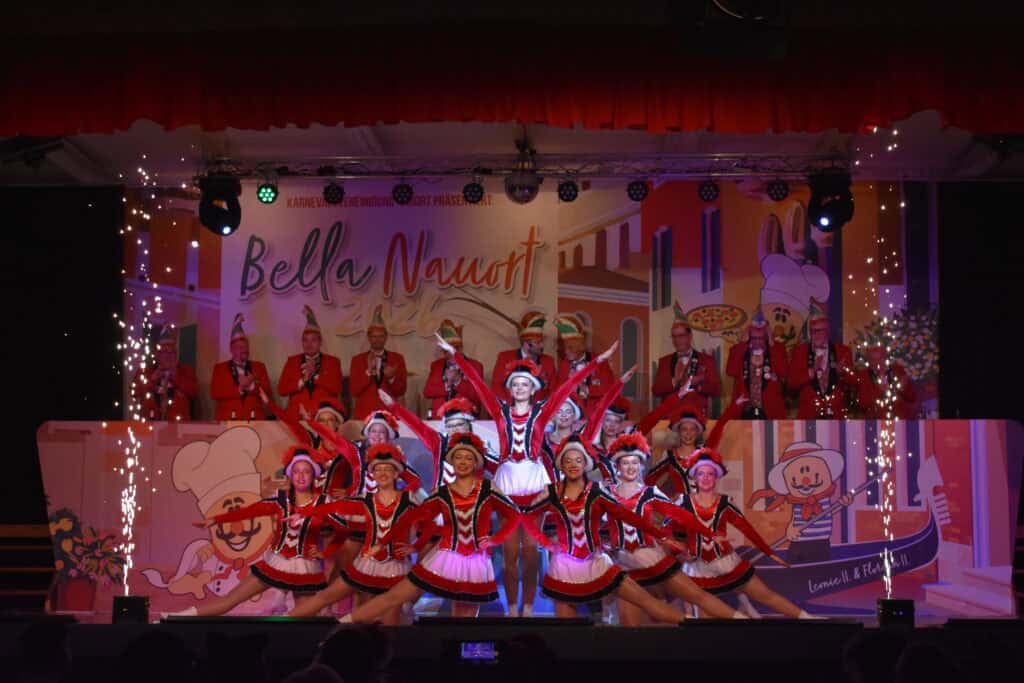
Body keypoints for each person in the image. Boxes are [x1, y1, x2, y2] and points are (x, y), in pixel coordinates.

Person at [441, 331, 618, 617]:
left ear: (533, 388)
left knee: (531, 552)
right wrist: (454, 355)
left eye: (525, 384)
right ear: (510, 388)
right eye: (516, 384)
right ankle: (512, 609)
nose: (520, 388)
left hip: (534, 482)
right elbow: (477, 383)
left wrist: (597, 362)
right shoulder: (500, 411)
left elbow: (568, 386)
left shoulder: (541, 412)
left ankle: (528, 608)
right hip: (508, 482)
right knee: (510, 554)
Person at [340, 433, 523, 622]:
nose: (463, 462)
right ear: (451, 461)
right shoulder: (442, 493)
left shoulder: (488, 488)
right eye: (458, 457)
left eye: (469, 458)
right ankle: (344, 623)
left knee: (466, 614)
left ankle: (456, 643)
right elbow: (409, 518)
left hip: (475, 560)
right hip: (444, 556)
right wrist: (383, 543)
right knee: (395, 596)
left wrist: (495, 539)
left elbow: (515, 515)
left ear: (476, 463)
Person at [518, 434, 692, 624]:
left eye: (578, 460)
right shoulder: (551, 491)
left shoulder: (597, 490)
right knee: (567, 627)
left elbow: (627, 516)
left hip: (597, 562)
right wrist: (547, 544)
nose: (573, 465)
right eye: (568, 461)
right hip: (565, 567)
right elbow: (525, 517)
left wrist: (662, 536)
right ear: (561, 464)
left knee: (647, 601)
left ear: (586, 464)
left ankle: (694, 624)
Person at [674, 402, 820, 618]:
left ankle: (807, 618)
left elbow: (748, 529)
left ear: (716, 477)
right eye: (701, 474)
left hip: (726, 563)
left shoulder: (724, 503)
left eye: (710, 474)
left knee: (766, 595)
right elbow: (669, 533)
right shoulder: (683, 504)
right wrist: (681, 551)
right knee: (704, 621)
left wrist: (771, 553)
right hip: (698, 569)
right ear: (694, 477)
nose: (705, 478)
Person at [163, 447, 339, 617]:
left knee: (303, 617)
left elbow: (342, 530)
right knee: (230, 600)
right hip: (276, 564)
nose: (300, 476)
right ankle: (177, 617)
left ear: (313, 475)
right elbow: (250, 511)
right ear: (290, 475)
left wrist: (325, 552)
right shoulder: (280, 500)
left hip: (305, 569)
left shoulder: (324, 503)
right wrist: (216, 520)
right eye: (296, 471)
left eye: (306, 471)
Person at [602, 432, 745, 623]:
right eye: (625, 463)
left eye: (635, 462)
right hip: (624, 563)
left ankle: (743, 621)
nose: (631, 467)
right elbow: (591, 522)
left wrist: (708, 534)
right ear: (617, 466)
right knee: (631, 623)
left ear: (641, 465)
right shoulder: (605, 493)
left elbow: (681, 516)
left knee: (697, 596)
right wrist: (603, 545)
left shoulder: (650, 492)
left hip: (651, 559)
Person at [285, 444, 433, 623]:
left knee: (390, 618)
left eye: (388, 469)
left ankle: (371, 636)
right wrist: (303, 513)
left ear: (396, 474)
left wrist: (415, 547)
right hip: (366, 564)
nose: (383, 473)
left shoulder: (410, 499)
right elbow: (333, 507)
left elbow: (430, 523)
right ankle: (281, 622)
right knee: (326, 596)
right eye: (378, 469)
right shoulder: (366, 500)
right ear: (372, 474)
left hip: (396, 568)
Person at [381, 390, 494, 491]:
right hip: (442, 502)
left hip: (472, 501)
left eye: (459, 424)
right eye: (450, 426)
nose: (455, 429)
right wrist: (394, 407)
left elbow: (498, 469)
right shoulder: (440, 444)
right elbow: (419, 426)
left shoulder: (481, 447)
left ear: (469, 425)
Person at [786, 298, 857, 418]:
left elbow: (854, 382)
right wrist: (810, 372)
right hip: (809, 415)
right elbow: (791, 384)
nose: (815, 335)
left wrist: (842, 372)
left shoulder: (843, 351)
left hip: (835, 415)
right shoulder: (800, 352)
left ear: (827, 331)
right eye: (813, 331)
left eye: (819, 331)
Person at [651, 300, 720, 416]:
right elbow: (656, 390)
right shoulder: (664, 361)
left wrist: (698, 384)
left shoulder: (706, 360)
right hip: (670, 416)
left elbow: (716, 389)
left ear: (690, 336)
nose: (677, 340)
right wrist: (674, 381)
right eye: (674, 336)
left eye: (681, 336)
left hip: (696, 417)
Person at [277, 306, 343, 421]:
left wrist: (316, 376)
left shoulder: (333, 362)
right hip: (296, 416)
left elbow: (336, 389)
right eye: (305, 340)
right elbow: (281, 390)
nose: (309, 344)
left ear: (320, 342)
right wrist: (303, 380)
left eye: (313, 340)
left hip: (322, 417)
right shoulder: (292, 361)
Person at [725, 308, 789, 419]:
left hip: (770, 411)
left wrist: (772, 343)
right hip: (744, 409)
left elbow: (783, 372)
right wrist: (742, 344)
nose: (758, 342)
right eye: (754, 338)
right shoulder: (739, 350)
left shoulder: (777, 349)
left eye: (761, 338)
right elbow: (731, 371)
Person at [350, 304, 408, 420]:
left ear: (386, 337)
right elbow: (354, 391)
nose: (377, 340)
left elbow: (401, 391)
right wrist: (368, 372)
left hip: (389, 413)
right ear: (369, 338)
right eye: (374, 336)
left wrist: (391, 378)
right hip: (364, 413)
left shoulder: (397, 358)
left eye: (381, 336)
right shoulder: (357, 360)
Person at [211, 314, 272, 421]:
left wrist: (251, 386)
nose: (244, 349)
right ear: (231, 349)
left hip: (255, 421)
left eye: (245, 346)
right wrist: (239, 388)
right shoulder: (219, 368)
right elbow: (215, 392)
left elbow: (268, 391)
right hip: (228, 420)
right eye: (239, 347)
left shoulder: (259, 367)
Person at [554, 314, 616, 418]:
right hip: (571, 415)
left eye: (570, 348)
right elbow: (557, 391)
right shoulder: (564, 365)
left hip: (595, 414)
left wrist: (585, 388)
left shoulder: (600, 361)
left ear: (579, 347)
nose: (566, 351)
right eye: (564, 348)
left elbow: (608, 388)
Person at [422, 319, 484, 419]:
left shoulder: (475, 366)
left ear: (461, 348)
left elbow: (478, 396)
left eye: (455, 348)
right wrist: (448, 384)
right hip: (439, 418)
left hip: (465, 417)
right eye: (446, 350)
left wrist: (458, 381)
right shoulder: (436, 365)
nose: (451, 353)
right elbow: (428, 391)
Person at [490, 311, 557, 403]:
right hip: (511, 407)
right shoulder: (505, 358)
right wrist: (509, 408)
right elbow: (497, 387)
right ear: (526, 343)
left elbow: (553, 391)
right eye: (537, 342)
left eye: (542, 341)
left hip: (541, 409)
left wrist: (543, 408)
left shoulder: (548, 361)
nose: (542, 345)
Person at [135, 324, 198, 421]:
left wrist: (176, 377)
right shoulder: (146, 371)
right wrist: (152, 379)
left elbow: (194, 391)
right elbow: (135, 392)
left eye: (172, 352)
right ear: (157, 354)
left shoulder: (186, 370)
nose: (168, 355)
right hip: (150, 423)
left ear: (176, 354)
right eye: (164, 352)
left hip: (178, 424)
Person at [855, 343, 917, 419]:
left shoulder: (897, 370)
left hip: (900, 419)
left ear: (885, 359)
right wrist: (880, 391)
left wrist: (904, 388)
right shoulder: (864, 375)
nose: (878, 363)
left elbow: (912, 398)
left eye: (880, 358)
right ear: (869, 362)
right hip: (876, 420)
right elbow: (862, 403)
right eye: (873, 360)